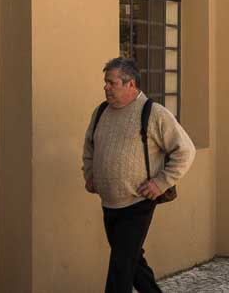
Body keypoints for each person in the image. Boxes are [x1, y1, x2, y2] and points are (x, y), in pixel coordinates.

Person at [83, 57, 196, 293]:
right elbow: (90, 146)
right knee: (132, 262)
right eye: (105, 82)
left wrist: (161, 182)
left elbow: (185, 150)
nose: (106, 87)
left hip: (138, 202)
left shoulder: (153, 113)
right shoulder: (101, 111)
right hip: (109, 202)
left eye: (111, 83)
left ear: (130, 84)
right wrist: (90, 173)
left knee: (120, 269)